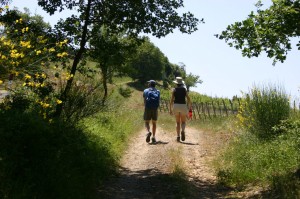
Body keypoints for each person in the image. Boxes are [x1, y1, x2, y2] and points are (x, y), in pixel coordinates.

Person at [169, 77, 192, 142]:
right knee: (183, 122)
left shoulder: (174, 90)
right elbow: (189, 99)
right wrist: (189, 106)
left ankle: (178, 136)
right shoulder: (184, 89)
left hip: (176, 105)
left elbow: (171, 100)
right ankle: (183, 130)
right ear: (181, 83)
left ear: (176, 83)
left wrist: (170, 109)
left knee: (177, 122)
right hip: (183, 106)